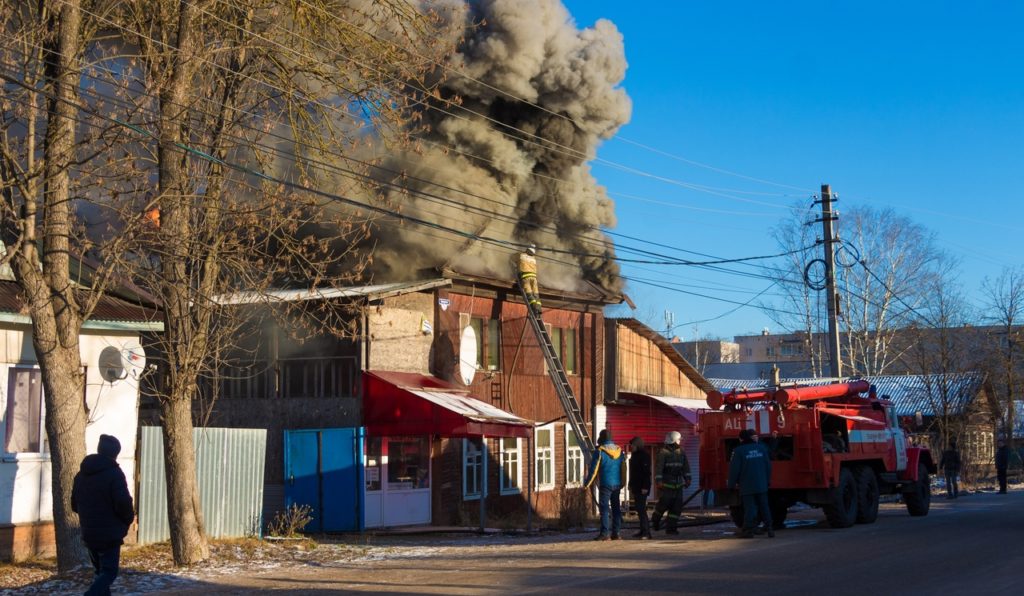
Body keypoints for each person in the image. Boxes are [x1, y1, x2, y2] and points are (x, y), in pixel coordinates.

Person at [72, 434, 135, 596]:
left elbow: (74, 504)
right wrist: (127, 520)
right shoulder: (114, 474)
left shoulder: (81, 475)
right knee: (109, 573)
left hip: (89, 532)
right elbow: (123, 504)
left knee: (100, 573)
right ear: (115, 454)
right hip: (109, 534)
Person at [729, 429, 774, 539]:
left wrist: (731, 485)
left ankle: (748, 530)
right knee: (764, 507)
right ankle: (770, 529)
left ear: (741, 439)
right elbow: (768, 466)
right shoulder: (762, 448)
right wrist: (767, 481)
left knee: (750, 508)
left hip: (747, 485)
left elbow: (734, 470)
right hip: (762, 485)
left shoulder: (738, 451)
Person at [584, 429, 625, 541]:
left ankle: (605, 534)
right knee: (616, 508)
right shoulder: (619, 451)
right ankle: (616, 533)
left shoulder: (600, 451)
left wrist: (587, 484)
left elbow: (594, 470)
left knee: (604, 509)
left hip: (605, 484)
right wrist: (623, 482)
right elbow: (623, 468)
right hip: (617, 484)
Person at [651, 431, 691, 535]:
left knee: (676, 508)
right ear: (674, 440)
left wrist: (688, 479)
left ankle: (671, 529)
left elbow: (686, 467)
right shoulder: (663, 452)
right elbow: (658, 469)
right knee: (662, 506)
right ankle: (655, 522)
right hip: (666, 485)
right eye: (678, 440)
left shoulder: (681, 452)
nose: (680, 442)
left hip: (678, 485)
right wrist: (658, 482)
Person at [628, 436, 653, 540]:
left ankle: (646, 532)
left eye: (632, 445)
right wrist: (630, 484)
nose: (631, 447)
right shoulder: (634, 456)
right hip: (636, 486)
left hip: (642, 487)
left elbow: (647, 473)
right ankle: (642, 530)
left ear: (637, 445)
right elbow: (633, 472)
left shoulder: (644, 456)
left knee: (642, 510)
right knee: (639, 509)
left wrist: (645, 487)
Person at [517, 244, 542, 314]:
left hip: (526, 277)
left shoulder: (521, 255)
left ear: (527, 249)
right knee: (536, 293)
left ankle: (534, 307)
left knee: (529, 293)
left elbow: (514, 259)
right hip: (534, 278)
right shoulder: (534, 259)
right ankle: (539, 308)